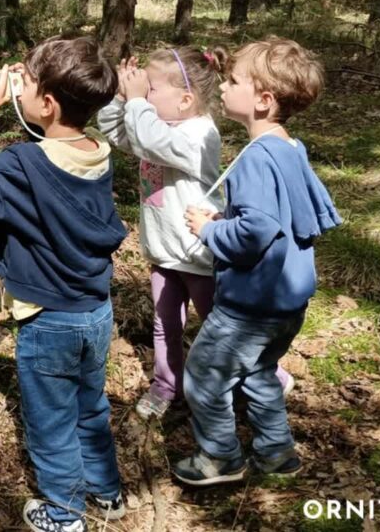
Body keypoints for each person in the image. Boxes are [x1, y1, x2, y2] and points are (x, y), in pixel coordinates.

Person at [0, 36, 127, 531]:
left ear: (46, 103)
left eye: (29, 84)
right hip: (95, 311)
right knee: (91, 407)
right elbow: (53, 141)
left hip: (48, 321)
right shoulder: (97, 152)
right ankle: (107, 494)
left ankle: (63, 514)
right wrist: (30, 90)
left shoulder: (26, 165)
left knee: (51, 423)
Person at [174, 37, 342, 486]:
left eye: (232, 81)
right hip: (287, 303)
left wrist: (209, 230)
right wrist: (227, 216)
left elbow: (256, 232)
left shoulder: (255, 159)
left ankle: (219, 459)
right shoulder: (290, 148)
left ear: (264, 100)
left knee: (205, 377)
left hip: (250, 305)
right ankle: (276, 452)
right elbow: (287, 215)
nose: (224, 88)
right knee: (258, 373)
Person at [98, 47, 295, 420]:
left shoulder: (199, 135)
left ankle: (268, 375)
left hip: (200, 256)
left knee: (222, 328)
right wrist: (122, 98)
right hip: (164, 252)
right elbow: (120, 133)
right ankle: (167, 383)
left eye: (152, 89)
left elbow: (149, 141)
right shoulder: (156, 125)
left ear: (186, 99)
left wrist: (136, 102)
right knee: (164, 324)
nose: (146, 94)